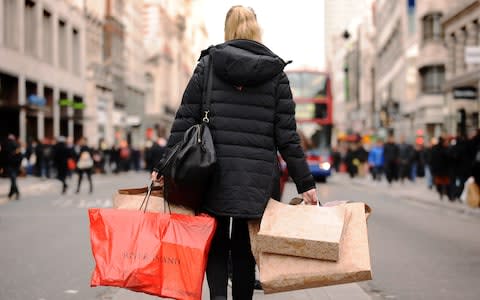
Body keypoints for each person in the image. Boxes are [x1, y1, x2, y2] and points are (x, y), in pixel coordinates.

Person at [151, 6, 318, 299]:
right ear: (257, 30)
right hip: (256, 178)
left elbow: (184, 120)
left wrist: (163, 167)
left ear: (228, 30)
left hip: (211, 172)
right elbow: (288, 138)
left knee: (215, 241)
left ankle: (217, 297)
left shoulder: (208, 65)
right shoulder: (276, 74)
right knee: (244, 246)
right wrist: (306, 184)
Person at [4, 135, 22, 200]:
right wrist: (19, 164)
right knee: (13, 179)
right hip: (15, 165)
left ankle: (16, 192)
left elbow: (4, 157)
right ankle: (11, 193)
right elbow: (20, 156)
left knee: (13, 179)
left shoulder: (6, 146)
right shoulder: (17, 145)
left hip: (9, 165)